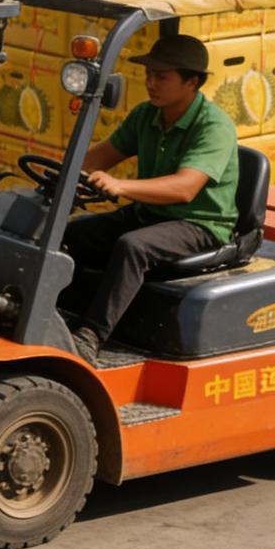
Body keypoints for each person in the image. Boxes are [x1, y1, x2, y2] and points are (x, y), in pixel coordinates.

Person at [61, 35, 239, 361]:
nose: (150, 83)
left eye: (161, 76)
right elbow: (97, 158)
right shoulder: (147, 115)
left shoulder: (213, 126)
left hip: (198, 222)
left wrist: (121, 186)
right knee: (71, 234)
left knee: (133, 246)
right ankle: (56, 316)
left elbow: (185, 188)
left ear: (192, 82)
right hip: (152, 213)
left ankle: (90, 336)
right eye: (149, 75)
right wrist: (63, 175)